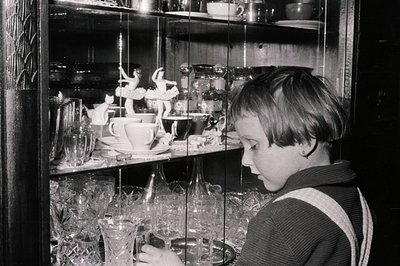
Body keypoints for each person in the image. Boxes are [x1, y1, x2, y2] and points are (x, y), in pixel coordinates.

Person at [136, 66, 373, 266]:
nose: (245, 160)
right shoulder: (350, 194)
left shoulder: (282, 219)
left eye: (254, 146)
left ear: (304, 142)